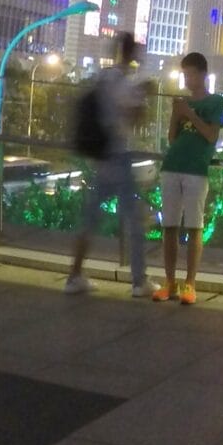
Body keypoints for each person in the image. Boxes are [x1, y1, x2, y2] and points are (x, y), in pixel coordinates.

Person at [65, 34, 152, 297]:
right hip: (118, 156)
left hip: (101, 157)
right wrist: (144, 95)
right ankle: (139, 282)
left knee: (90, 219)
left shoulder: (103, 77)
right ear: (132, 53)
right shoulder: (124, 83)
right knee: (134, 221)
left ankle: (74, 276)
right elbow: (136, 119)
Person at [153, 51, 223, 304]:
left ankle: (190, 284)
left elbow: (211, 135)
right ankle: (170, 282)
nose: (187, 79)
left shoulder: (216, 102)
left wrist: (190, 113)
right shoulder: (181, 103)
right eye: (185, 74)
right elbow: (172, 138)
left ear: (203, 74)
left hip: (196, 169)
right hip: (172, 166)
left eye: (191, 74)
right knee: (169, 226)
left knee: (194, 227)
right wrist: (176, 114)